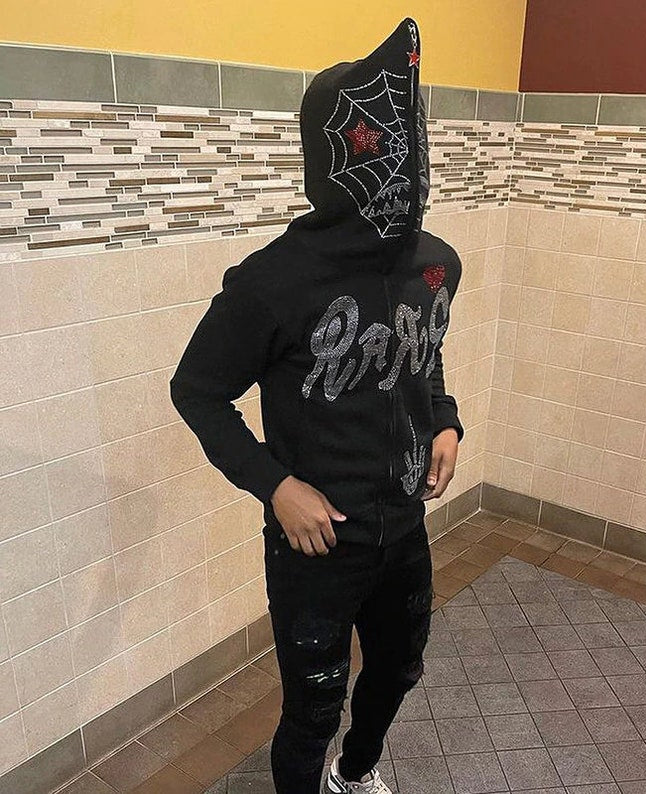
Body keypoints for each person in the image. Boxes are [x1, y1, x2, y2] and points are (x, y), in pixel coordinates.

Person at [169, 16, 465, 794]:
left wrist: (444, 418)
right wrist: (276, 486)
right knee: (311, 710)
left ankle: (356, 771)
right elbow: (196, 390)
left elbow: (423, 351)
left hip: (404, 527)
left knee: (399, 668)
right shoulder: (275, 282)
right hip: (318, 543)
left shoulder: (436, 265)